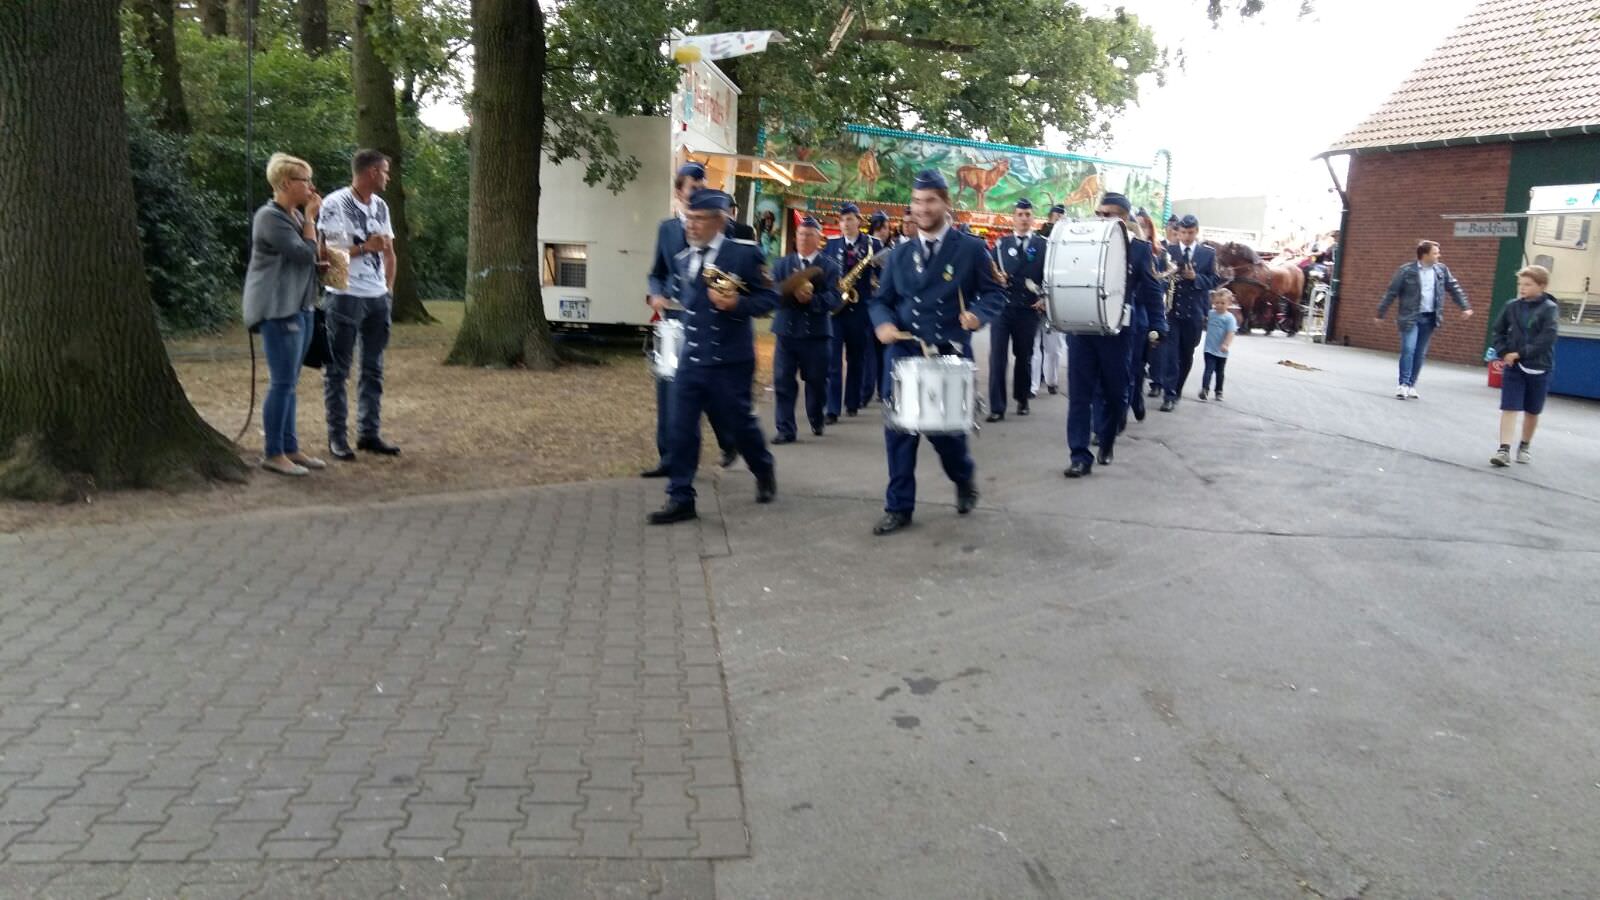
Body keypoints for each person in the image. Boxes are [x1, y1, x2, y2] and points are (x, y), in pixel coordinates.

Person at [868, 170, 1004, 536]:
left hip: (946, 355)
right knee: (899, 434)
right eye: (916, 202)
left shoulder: (971, 249)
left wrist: (978, 314)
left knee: (946, 438)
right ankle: (898, 507)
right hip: (904, 353)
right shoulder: (899, 254)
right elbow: (880, 301)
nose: (922, 208)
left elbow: (994, 293)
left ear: (946, 203)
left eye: (930, 201)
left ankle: (963, 477)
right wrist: (882, 323)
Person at [648, 189, 779, 525]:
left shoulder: (743, 254)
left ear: (719, 222)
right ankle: (681, 497)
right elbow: (683, 299)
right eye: (689, 218)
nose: (691, 225)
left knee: (740, 425)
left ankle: (763, 467)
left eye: (699, 219)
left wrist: (738, 304)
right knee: (681, 427)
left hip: (730, 362)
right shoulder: (683, 259)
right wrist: (659, 296)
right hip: (692, 359)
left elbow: (770, 298)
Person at [643, 162, 738, 477]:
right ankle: (670, 459)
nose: (698, 193)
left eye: (702, 187)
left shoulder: (721, 227)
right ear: (679, 192)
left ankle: (729, 439)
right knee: (668, 388)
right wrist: (655, 293)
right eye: (693, 188)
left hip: (707, 321)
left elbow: (731, 272)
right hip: (673, 319)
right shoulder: (667, 229)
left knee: (707, 388)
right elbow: (657, 273)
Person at [243, 153, 327, 477]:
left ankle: (291, 447)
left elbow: (309, 256)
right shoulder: (269, 217)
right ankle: (273, 453)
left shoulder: (294, 216)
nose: (311, 187)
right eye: (306, 180)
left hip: (302, 307)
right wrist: (311, 218)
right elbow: (302, 253)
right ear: (285, 183)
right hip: (278, 310)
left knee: (291, 382)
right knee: (282, 383)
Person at [318, 149, 402, 460]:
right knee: (338, 370)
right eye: (385, 171)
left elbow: (389, 251)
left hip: (377, 297)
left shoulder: (381, 206)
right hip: (345, 296)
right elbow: (326, 258)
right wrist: (365, 247)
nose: (388, 177)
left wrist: (388, 290)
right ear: (371, 172)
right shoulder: (335, 203)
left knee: (373, 368)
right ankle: (337, 438)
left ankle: (369, 433)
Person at [1063, 194, 1143, 478]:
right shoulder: (1083, 243)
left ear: (1123, 218)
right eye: (1098, 213)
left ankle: (1107, 440)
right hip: (1082, 329)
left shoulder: (1139, 250)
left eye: (1107, 214)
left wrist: (1158, 326)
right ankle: (1079, 456)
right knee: (1079, 396)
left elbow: (1151, 290)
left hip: (1117, 334)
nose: (1100, 218)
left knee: (1115, 394)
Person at [770, 216, 842, 443]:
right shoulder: (782, 265)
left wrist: (812, 301)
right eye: (800, 234)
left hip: (816, 335)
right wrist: (789, 293)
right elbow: (772, 294)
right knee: (782, 381)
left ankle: (816, 417)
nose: (803, 238)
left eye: (809, 235)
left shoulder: (830, 267)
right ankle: (785, 429)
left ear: (819, 239)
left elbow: (835, 298)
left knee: (817, 381)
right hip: (786, 332)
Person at [1376, 239, 1472, 399]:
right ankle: (1403, 384)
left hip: (1430, 317)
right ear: (1424, 255)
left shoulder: (1441, 270)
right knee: (1408, 349)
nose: (1438, 256)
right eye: (1435, 253)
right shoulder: (1406, 271)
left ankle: (1411, 385)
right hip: (1410, 317)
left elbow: (1454, 288)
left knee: (1420, 353)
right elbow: (1391, 292)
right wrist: (1380, 313)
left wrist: (1465, 306)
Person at [1489, 266, 1559, 467]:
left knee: (1532, 410)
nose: (1522, 288)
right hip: (1514, 367)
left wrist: (1520, 353)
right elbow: (1498, 331)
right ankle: (1504, 449)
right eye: (1520, 284)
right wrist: (1504, 352)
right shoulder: (1512, 306)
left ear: (1542, 286)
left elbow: (1547, 339)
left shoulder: (1550, 309)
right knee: (1509, 406)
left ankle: (1525, 445)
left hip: (1540, 366)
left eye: (1528, 284)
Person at [986, 199, 1047, 421]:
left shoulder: (1042, 245)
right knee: (997, 358)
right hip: (1003, 308)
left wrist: (1045, 298)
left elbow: (1049, 276)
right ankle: (997, 407)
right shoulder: (1001, 245)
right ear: (1013, 218)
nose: (1023, 218)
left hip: (1028, 308)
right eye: (1020, 214)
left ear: (1033, 218)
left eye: (1027, 214)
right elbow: (989, 273)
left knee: (1024, 356)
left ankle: (1022, 399)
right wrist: (997, 279)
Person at [823, 202, 882, 423]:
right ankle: (832, 409)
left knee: (856, 358)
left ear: (859, 221)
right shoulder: (831, 245)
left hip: (860, 309)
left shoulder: (873, 244)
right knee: (833, 360)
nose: (845, 224)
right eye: (842, 220)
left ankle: (852, 402)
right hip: (836, 310)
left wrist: (875, 277)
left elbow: (883, 274)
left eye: (849, 219)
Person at [1158, 214, 1222, 412]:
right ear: (1178, 232)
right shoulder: (1168, 251)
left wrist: (1196, 278)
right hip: (1172, 311)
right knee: (1170, 354)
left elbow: (1215, 280)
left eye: (1191, 233)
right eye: (1183, 232)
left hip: (1194, 312)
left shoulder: (1207, 254)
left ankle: (1177, 390)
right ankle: (1168, 395)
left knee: (1186, 354)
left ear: (1197, 232)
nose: (1187, 236)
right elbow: (1159, 277)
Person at [1128, 209, 1171, 419]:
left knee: (1136, 365)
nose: (1139, 229)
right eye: (1136, 224)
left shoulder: (1157, 254)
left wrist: (1158, 324)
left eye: (1143, 225)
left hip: (1141, 314)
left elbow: (1156, 290)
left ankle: (1135, 397)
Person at [1198, 288, 1237, 401]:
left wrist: (1226, 344)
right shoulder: (1211, 314)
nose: (1219, 305)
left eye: (1223, 303)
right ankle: (1205, 389)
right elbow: (1203, 319)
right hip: (1209, 349)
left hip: (1221, 351)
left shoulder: (1229, 318)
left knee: (1220, 372)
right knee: (1208, 369)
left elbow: (1231, 333)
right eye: (1217, 303)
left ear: (1229, 303)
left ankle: (1219, 391)